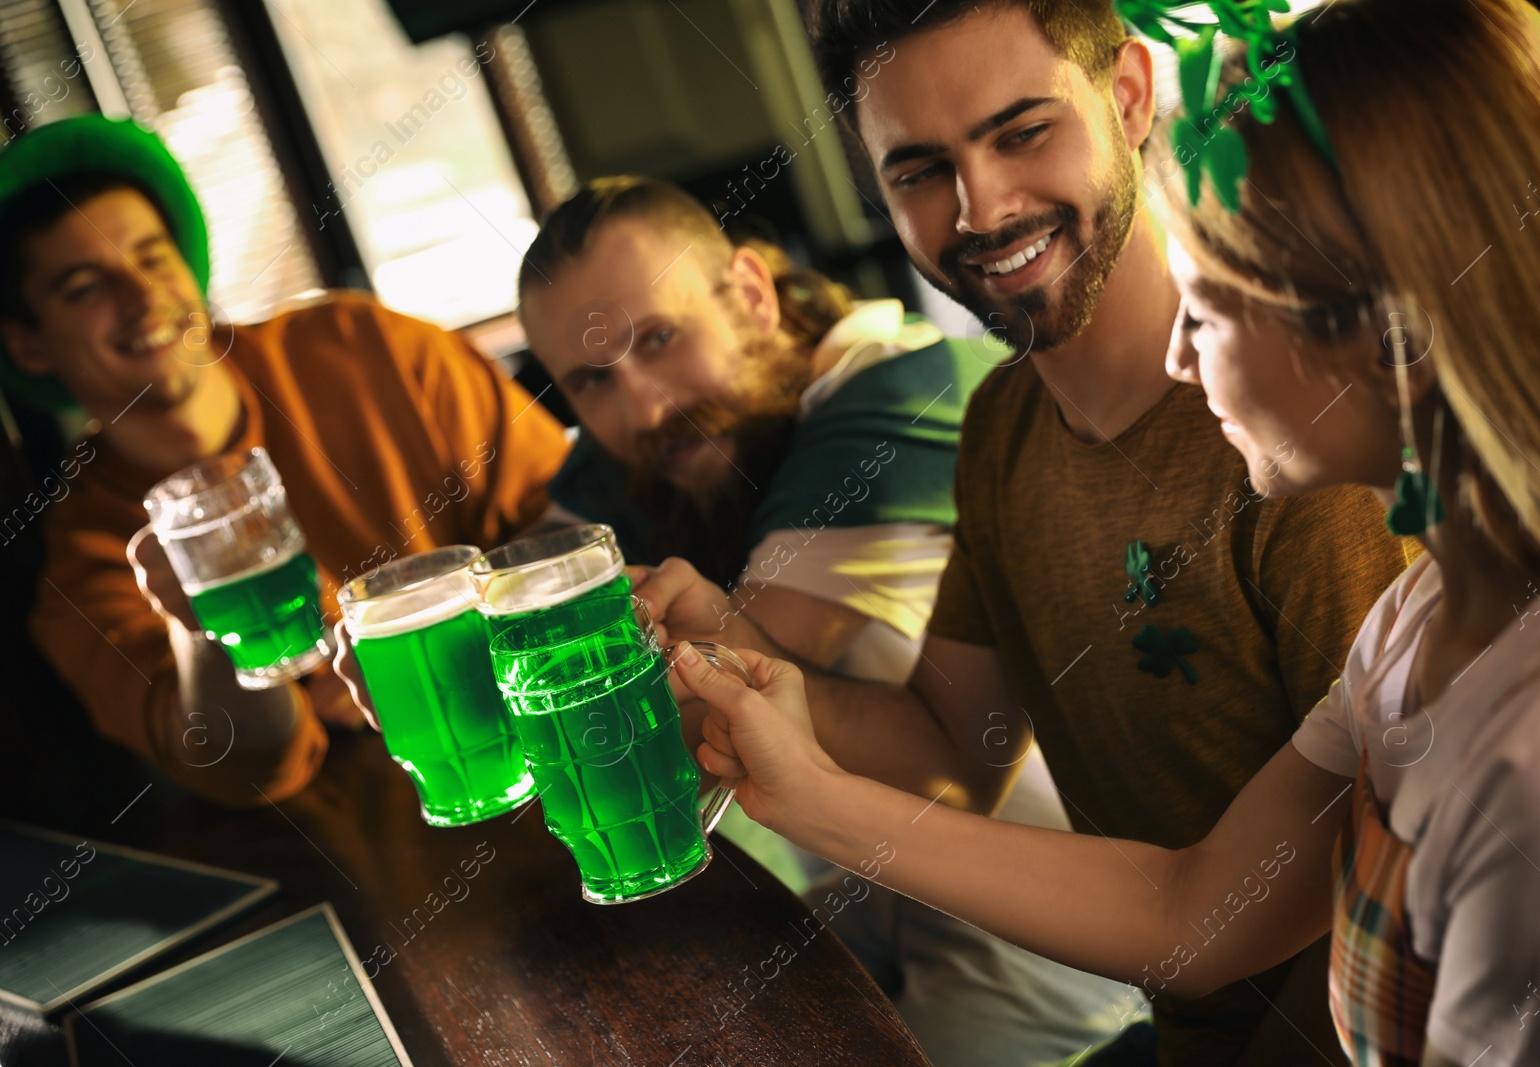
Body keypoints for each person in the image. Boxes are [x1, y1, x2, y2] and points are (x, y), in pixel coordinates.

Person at [670, 0, 1540, 1063]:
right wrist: (773, 724)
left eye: (1209, 306)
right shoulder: (1417, 614)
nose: (979, 207)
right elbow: (1189, 908)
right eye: (917, 169)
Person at [337, 175, 1144, 1062]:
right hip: (857, 886)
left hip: (1046, 911)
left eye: (661, 339)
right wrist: (426, 665)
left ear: (754, 295)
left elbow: (730, 706)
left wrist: (488, 690)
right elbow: (527, 596)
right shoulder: (662, 448)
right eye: (592, 380)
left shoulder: (900, 396)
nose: (643, 403)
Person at [0, 115, 569, 807]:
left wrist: (422, 646)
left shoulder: (367, 346)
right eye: (85, 286)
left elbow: (571, 524)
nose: (142, 295)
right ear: (29, 345)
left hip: (557, 750)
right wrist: (200, 630)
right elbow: (240, 764)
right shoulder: (84, 557)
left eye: (153, 257)